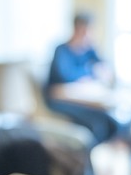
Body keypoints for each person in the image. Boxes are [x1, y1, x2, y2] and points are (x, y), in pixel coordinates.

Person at [44, 11, 125, 144]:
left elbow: (104, 67)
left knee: (114, 124)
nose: (88, 34)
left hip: (84, 99)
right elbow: (66, 76)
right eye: (86, 30)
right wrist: (91, 71)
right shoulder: (61, 50)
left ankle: (101, 159)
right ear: (77, 28)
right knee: (97, 126)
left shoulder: (89, 49)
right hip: (61, 100)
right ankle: (86, 160)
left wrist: (98, 71)